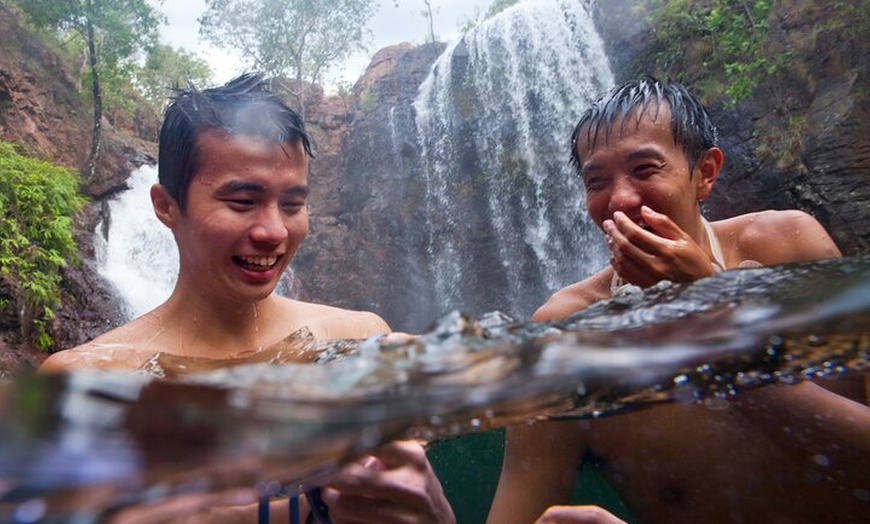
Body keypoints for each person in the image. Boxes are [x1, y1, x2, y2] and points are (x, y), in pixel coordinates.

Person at [40, 73, 455, 524]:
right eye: (242, 201)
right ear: (165, 205)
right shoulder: (84, 381)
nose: (274, 231)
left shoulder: (362, 340)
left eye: (293, 204)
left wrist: (433, 511)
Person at [486, 77, 870, 524]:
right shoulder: (563, 332)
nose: (620, 200)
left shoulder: (785, 245)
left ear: (705, 172)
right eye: (597, 181)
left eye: (644, 169)